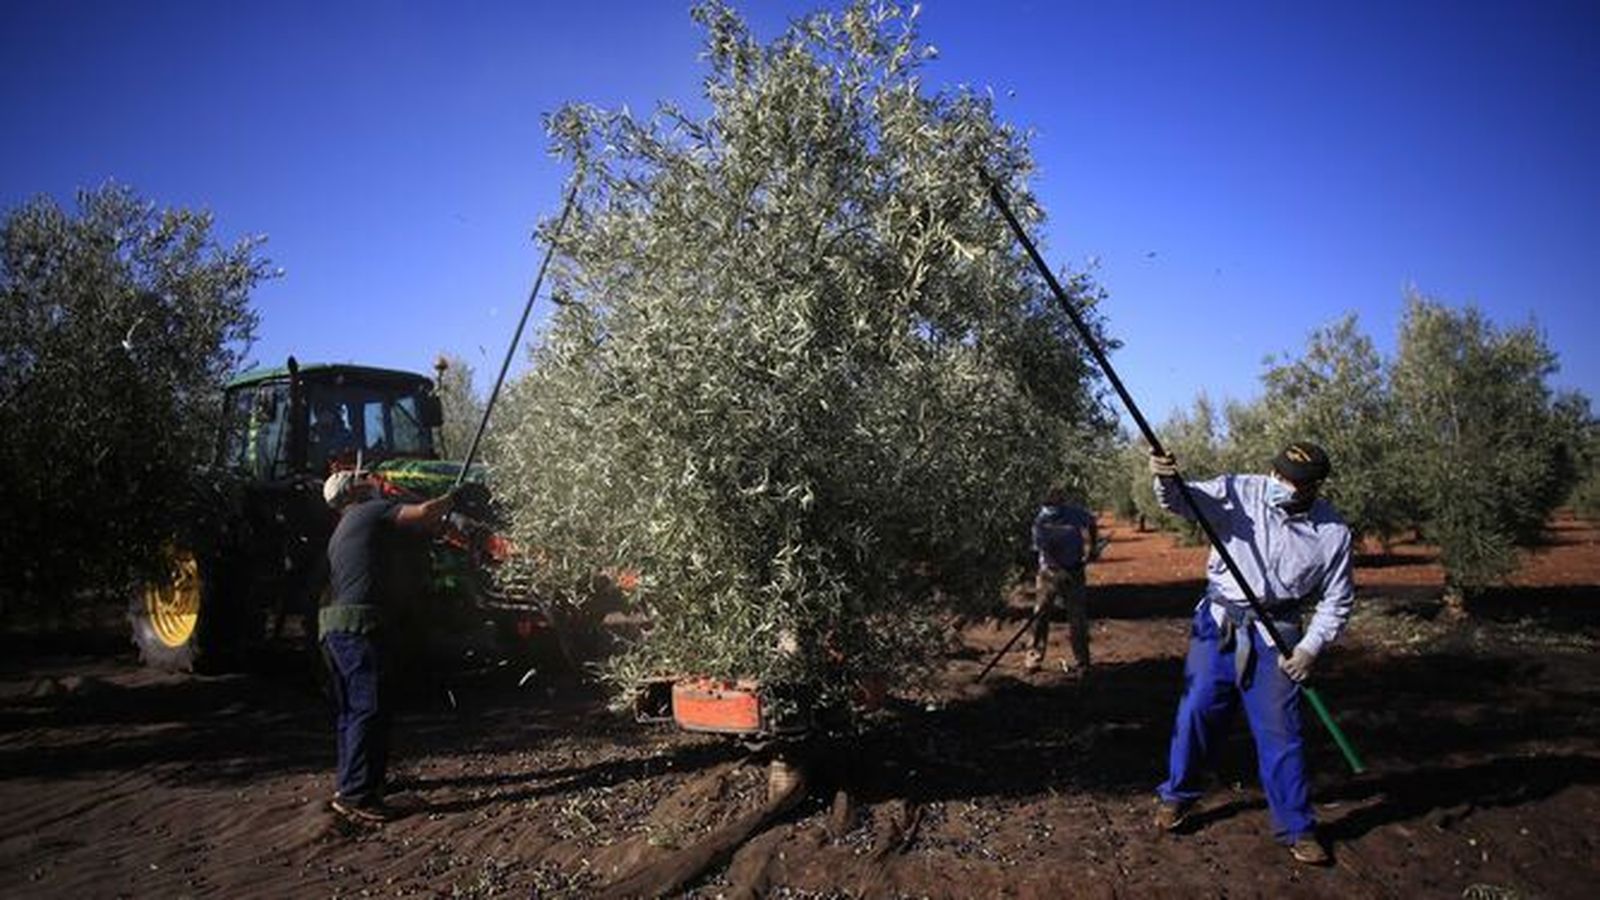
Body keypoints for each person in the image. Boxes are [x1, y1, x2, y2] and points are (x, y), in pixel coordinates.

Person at [1148, 441, 1354, 866]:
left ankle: (1297, 827)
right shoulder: (1238, 491)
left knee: (1281, 731)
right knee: (1197, 710)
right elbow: (1183, 501)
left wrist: (1309, 649)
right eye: (1276, 473)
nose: (1277, 483)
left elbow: (1337, 601)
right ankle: (1177, 795)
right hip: (1218, 622)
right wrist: (1165, 478)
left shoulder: (1333, 532)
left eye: (1290, 480)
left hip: (1278, 635)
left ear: (1313, 487)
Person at [320, 469, 455, 825]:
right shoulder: (369, 511)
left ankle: (353, 784)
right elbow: (423, 513)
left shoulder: (342, 529)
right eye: (359, 479)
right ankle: (358, 796)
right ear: (352, 492)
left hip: (334, 629)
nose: (368, 480)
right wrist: (451, 498)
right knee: (369, 709)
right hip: (360, 627)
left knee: (351, 712)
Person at [1024, 488, 1098, 675]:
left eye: (1055, 504)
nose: (1052, 508)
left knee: (1077, 618)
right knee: (1040, 615)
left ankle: (1083, 662)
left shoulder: (1074, 513)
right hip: (1049, 573)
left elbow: (1091, 522)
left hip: (1074, 571)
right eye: (1049, 505)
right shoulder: (1040, 521)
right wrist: (1058, 572)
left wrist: (1093, 547)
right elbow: (1045, 550)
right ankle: (1033, 657)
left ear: (1062, 503)